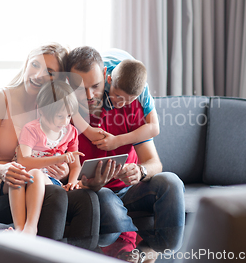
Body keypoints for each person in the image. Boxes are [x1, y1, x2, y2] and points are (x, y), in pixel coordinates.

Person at [0, 44, 99, 249]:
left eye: (50, 72)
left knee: (87, 199)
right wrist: (2, 170)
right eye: (35, 64)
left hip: (32, 183)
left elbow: (53, 155)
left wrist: (62, 172)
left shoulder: (48, 109)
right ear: (26, 63)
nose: (38, 74)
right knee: (54, 196)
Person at [66, 46, 185, 260]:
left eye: (94, 86)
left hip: (129, 189)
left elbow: (154, 162)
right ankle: (136, 243)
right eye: (80, 88)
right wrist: (92, 184)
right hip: (96, 192)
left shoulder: (129, 101)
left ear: (106, 77)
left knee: (171, 182)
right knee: (103, 196)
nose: (90, 95)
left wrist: (140, 171)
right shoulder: (66, 116)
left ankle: (154, 249)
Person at [5, 80, 84, 235]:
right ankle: (21, 228)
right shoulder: (32, 130)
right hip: (18, 181)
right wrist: (59, 159)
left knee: (36, 174)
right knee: (21, 172)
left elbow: (75, 165)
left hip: (48, 182)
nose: (65, 121)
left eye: (69, 116)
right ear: (41, 110)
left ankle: (30, 227)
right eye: (59, 116)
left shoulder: (70, 132)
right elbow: (24, 161)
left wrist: (73, 181)